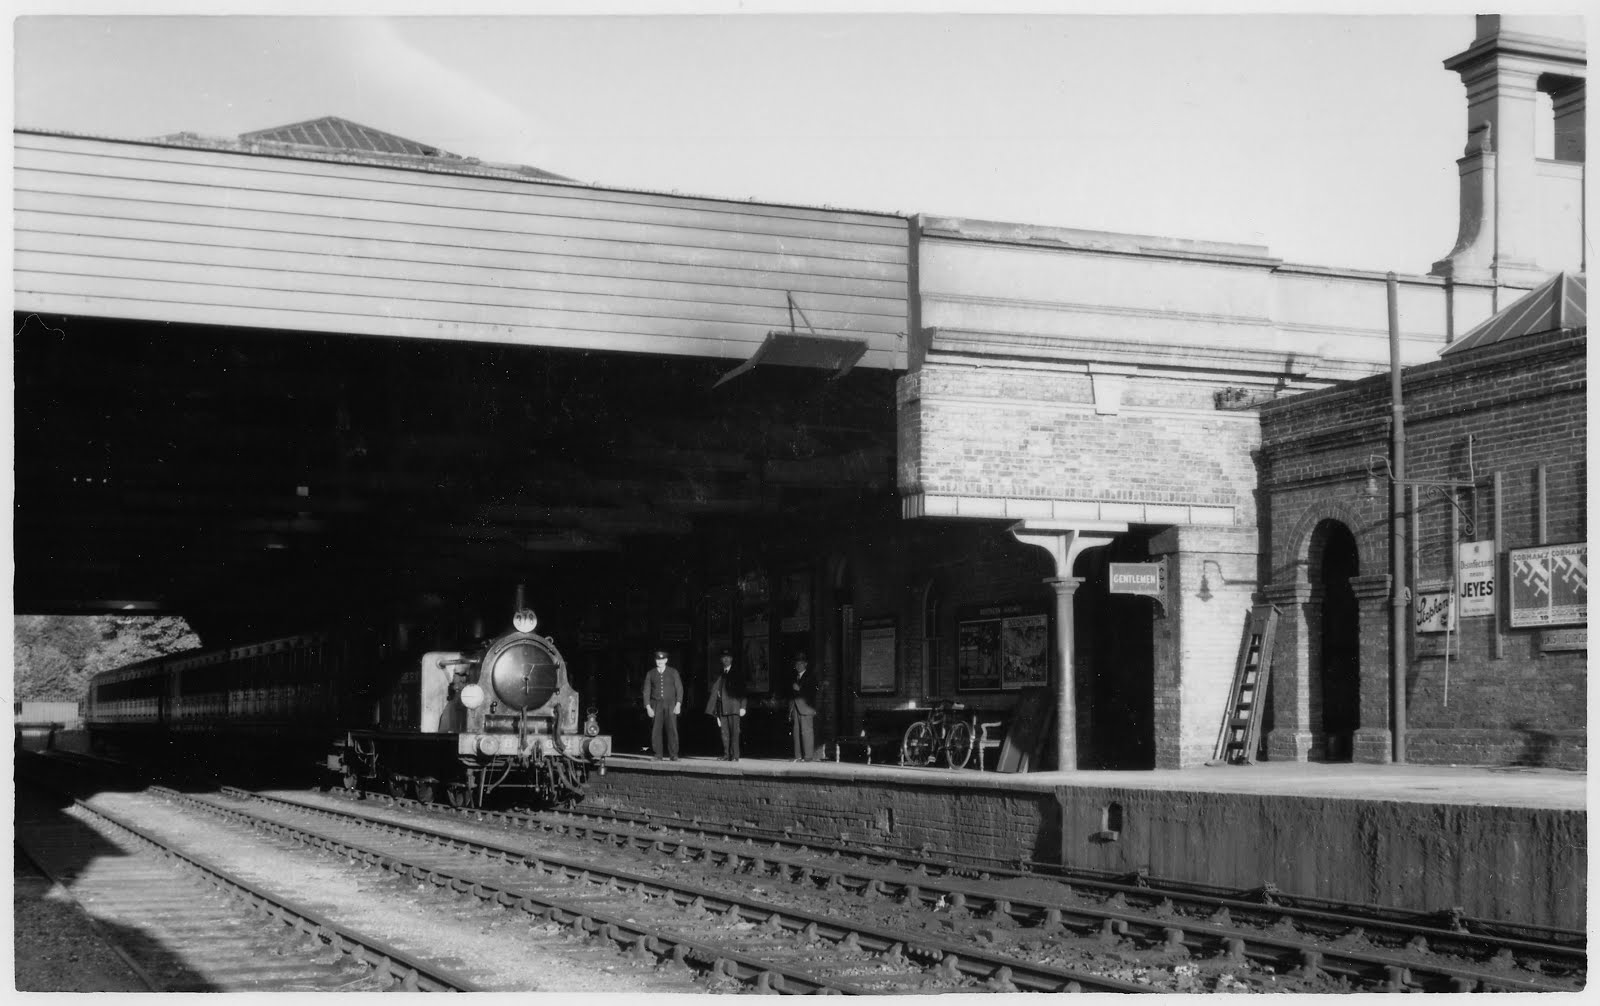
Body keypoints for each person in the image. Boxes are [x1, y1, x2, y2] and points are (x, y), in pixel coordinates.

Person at [640, 648, 684, 761]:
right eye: (658, 660)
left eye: (662, 659)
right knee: (656, 730)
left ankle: (674, 754)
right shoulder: (650, 673)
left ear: (666, 660)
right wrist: (648, 707)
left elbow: (679, 689)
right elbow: (646, 691)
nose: (660, 662)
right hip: (656, 705)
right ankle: (657, 754)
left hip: (671, 705)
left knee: (672, 729)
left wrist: (678, 704)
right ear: (655, 661)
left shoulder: (673, 672)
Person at [704, 647, 747, 761]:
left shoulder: (737, 673)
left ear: (731, 659)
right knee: (724, 733)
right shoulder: (720, 674)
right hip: (722, 708)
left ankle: (735, 756)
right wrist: (716, 711)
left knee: (734, 733)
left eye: (728, 657)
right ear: (721, 660)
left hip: (734, 707)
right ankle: (726, 754)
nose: (726, 660)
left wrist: (743, 706)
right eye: (724, 658)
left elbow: (743, 691)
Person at [788, 651, 818, 761]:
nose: (798, 666)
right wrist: (790, 710)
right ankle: (798, 756)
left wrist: (799, 689)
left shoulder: (811, 676)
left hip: (806, 708)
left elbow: (812, 692)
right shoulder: (795, 677)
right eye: (796, 664)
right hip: (796, 708)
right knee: (796, 733)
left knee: (807, 732)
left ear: (805, 664)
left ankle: (808, 756)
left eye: (800, 663)